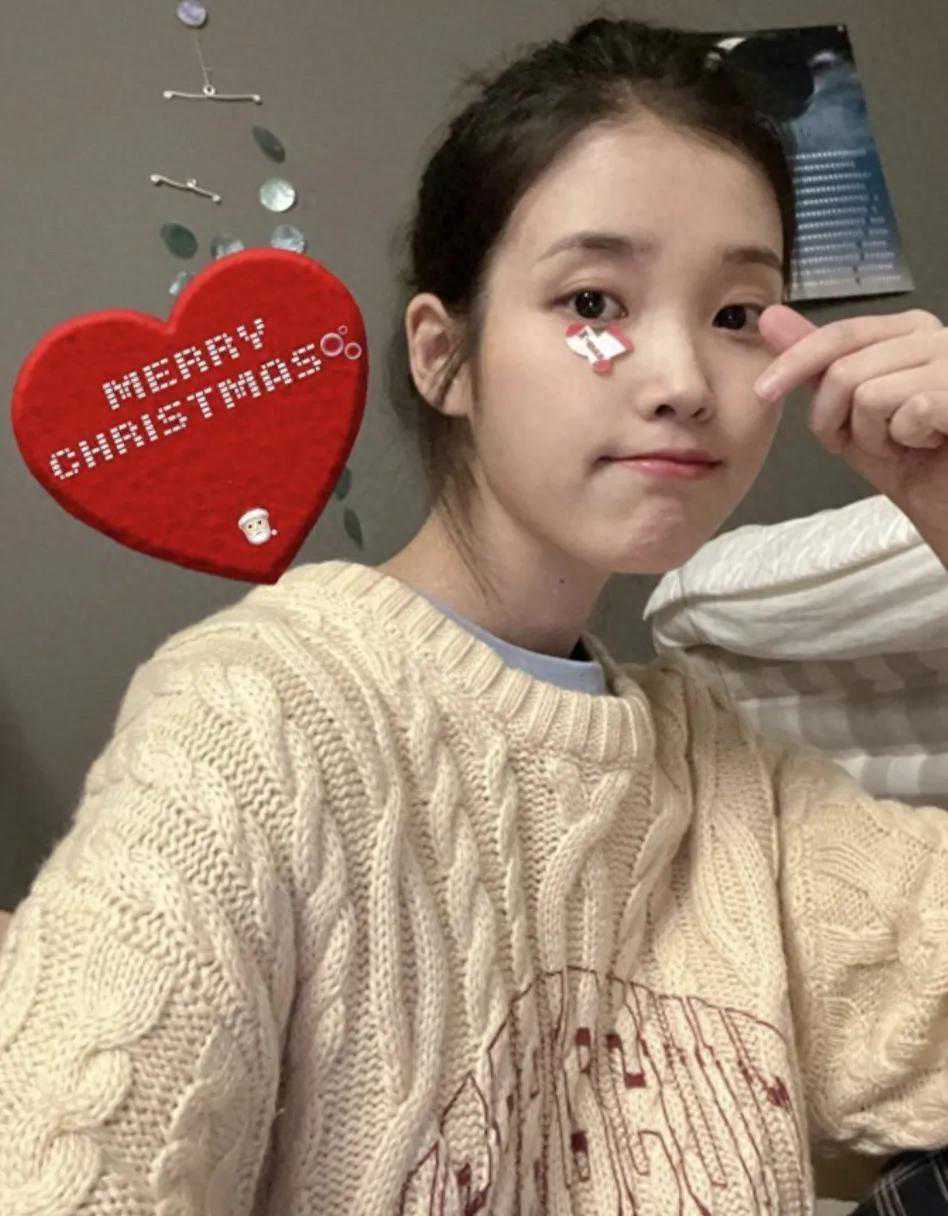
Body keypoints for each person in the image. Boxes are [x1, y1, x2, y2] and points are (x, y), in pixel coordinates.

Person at [2, 13, 947, 1215]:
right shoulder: (251, 718)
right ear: (444, 358)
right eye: (594, 300)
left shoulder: (719, 770)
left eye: (734, 314)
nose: (682, 382)